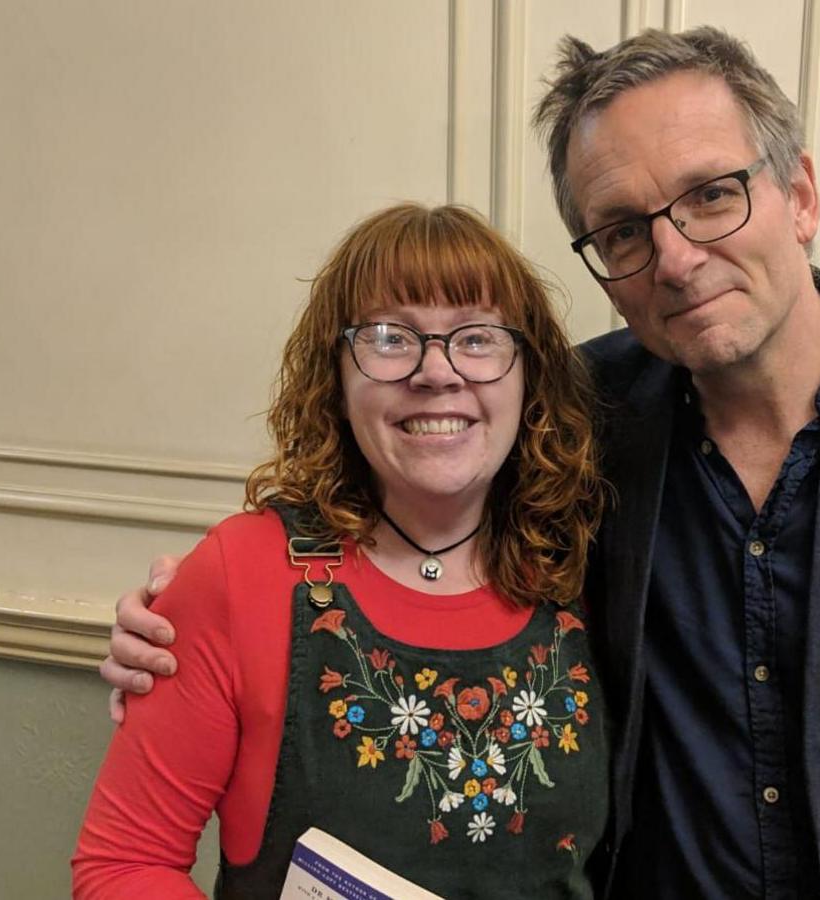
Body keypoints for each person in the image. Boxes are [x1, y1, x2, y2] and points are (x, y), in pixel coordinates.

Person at [102, 28, 820, 899]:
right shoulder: (575, 420)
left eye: (710, 194)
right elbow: (391, 503)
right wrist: (185, 618)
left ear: (799, 194)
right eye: (623, 229)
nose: (675, 257)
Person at [73, 203, 610, 899]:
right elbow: (123, 865)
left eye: (477, 338)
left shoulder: (590, 561)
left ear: (529, 373)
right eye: (390, 338)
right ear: (337, 374)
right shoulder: (244, 572)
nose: (436, 372)